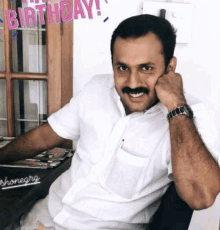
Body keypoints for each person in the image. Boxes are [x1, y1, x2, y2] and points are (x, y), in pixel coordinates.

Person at [1, 14, 220, 230]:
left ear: (170, 69)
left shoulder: (190, 117)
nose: (133, 83)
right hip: (41, 217)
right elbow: (46, 135)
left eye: (146, 68)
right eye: (122, 68)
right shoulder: (97, 88)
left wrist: (176, 107)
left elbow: (201, 196)